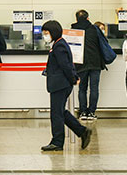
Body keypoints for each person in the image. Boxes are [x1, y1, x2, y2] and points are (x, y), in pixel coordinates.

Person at [39, 20, 92, 152]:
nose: (45, 36)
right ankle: (82, 131)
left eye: (46, 33)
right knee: (60, 111)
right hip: (60, 83)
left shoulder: (59, 46)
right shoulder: (58, 44)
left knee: (56, 114)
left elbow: (66, 66)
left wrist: (73, 79)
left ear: (53, 32)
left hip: (60, 84)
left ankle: (57, 142)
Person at [71, 9, 106, 120]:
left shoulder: (73, 30)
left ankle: (83, 112)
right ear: (87, 18)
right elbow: (104, 42)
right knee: (94, 88)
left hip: (81, 63)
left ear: (76, 19)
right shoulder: (95, 29)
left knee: (82, 88)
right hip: (95, 63)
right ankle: (91, 112)